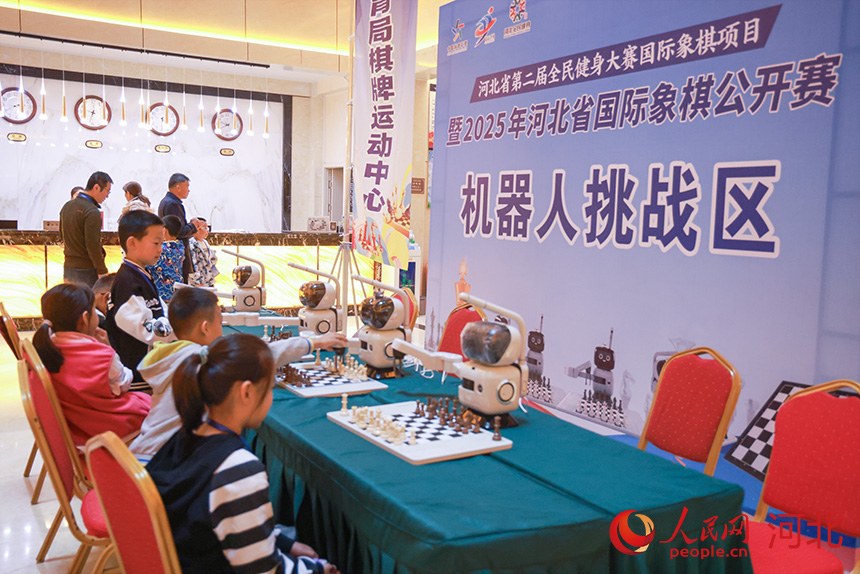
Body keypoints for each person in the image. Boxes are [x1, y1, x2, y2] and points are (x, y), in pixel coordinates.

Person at [147, 334, 339, 574]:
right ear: (246, 392)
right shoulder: (238, 469)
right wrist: (318, 570)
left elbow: (224, 517)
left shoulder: (186, 434)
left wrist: (283, 542)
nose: (270, 397)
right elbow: (264, 570)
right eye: (269, 388)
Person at [130, 287, 347, 462]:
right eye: (219, 322)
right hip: (162, 467)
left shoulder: (172, 354)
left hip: (141, 455)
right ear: (205, 328)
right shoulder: (203, 360)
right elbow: (261, 354)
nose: (222, 328)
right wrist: (313, 342)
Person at [31, 282, 151, 447]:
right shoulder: (101, 355)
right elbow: (124, 383)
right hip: (110, 424)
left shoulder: (46, 348)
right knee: (155, 404)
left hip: (76, 426)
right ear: (84, 318)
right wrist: (108, 347)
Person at [105, 210, 176, 391]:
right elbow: (147, 331)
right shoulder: (127, 282)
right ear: (132, 243)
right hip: (138, 381)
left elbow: (160, 308)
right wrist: (182, 326)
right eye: (156, 243)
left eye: (162, 243)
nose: (161, 249)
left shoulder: (140, 274)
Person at [59, 171, 112, 287]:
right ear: (96, 187)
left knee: (72, 298)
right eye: (107, 191)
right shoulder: (92, 211)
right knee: (88, 299)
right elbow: (92, 245)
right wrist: (102, 270)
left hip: (68, 268)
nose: (107, 195)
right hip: (86, 271)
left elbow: (62, 235)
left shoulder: (67, 206)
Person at [158, 173, 204, 283]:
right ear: (178, 188)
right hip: (176, 258)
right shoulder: (172, 204)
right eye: (187, 186)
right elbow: (178, 231)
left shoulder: (167, 201)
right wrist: (193, 226)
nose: (188, 190)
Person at [148, 215, 184, 303]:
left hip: (162, 293)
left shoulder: (160, 250)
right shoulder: (180, 246)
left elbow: (147, 266)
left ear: (164, 230)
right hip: (177, 291)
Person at [188, 217, 219, 287]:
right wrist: (198, 281)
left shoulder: (205, 242)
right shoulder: (191, 244)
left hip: (208, 279)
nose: (207, 231)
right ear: (196, 229)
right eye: (204, 228)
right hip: (198, 283)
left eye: (207, 228)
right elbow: (192, 265)